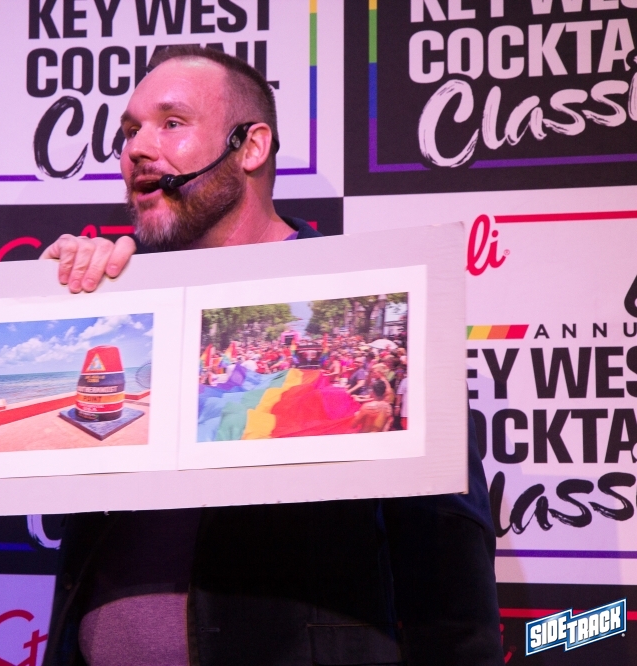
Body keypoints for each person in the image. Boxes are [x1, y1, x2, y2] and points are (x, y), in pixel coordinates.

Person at [39, 45, 500, 666]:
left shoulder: (383, 296)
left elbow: (449, 573)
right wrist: (61, 299)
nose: (138, 149)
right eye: (129, 131)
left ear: (251, 147)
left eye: (171, 123)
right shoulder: (118, 303)